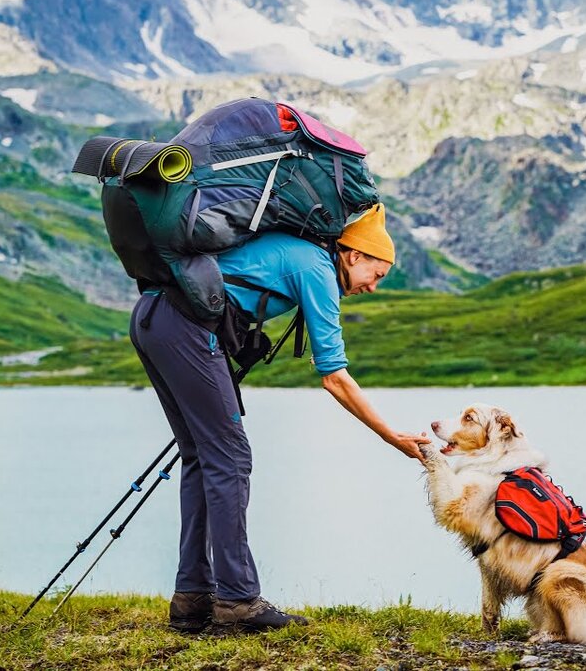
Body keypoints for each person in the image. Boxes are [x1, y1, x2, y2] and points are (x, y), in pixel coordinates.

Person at [128, 203, 431, 633]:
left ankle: (193, 597)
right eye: (376, 274)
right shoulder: (318, 268)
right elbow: (336, 378)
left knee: (200, 455)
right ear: (354, 255)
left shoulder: (300, 253)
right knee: (230, 460)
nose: (374, 287)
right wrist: (392, 437)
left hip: (151, 317)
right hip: (185, 328)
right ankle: (237, 601)